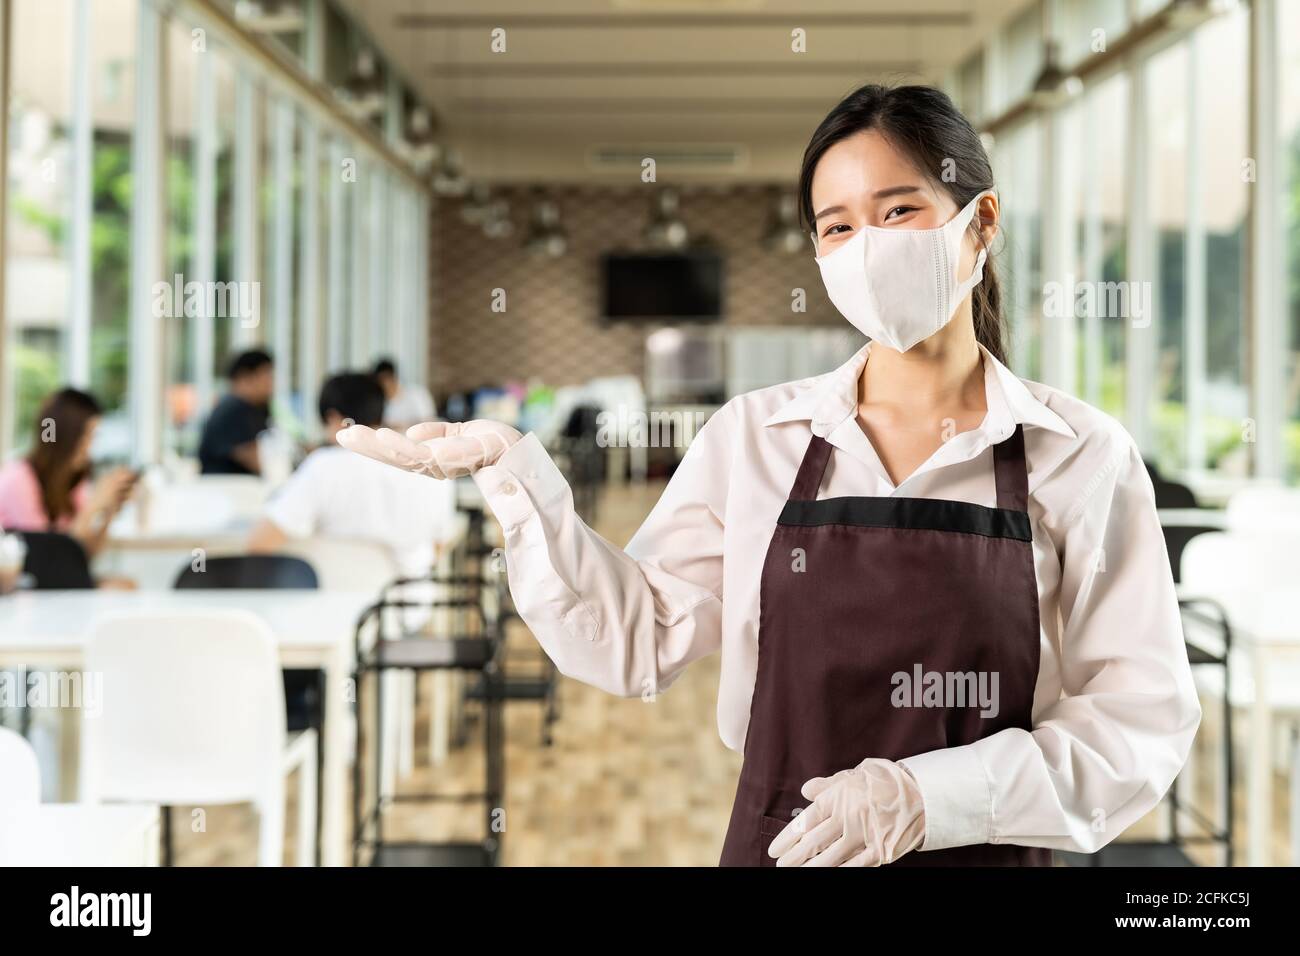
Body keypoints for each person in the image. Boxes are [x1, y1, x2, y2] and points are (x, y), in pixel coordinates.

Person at [339, 84, 1201, 867]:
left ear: (980, 222)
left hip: (988, 852)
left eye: (898, 210)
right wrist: (517, 478)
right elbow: (635, 638)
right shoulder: (756, 438)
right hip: (783, 852)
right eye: (837, 225)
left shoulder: (1081, 454)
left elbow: (1140, 722)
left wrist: (928, 798)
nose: (867, 246)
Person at [247, 372, 458, 578]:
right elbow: (438, 546)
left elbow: (259, 544)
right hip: (410, 605)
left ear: (334, 418)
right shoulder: (427, 463)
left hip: (334, 604)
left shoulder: (324, 466)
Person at [0, 387, 136, 566]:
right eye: (87, 437)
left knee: (124, 585)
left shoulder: (74, 484)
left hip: (54, 582)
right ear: (68, 435)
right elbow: (49, 559)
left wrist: (109, 511)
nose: (90, 447)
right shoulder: (18, 480)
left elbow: (83, 555)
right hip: (28, 583)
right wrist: (95, 504)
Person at [198, 350, 274, 475]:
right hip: (226, 487)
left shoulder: (257, 407)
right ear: (245, 377)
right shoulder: (234, 409)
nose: (270, 383)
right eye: (266, 375)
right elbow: (256, 460)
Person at [373, 357, 436, 430]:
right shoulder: (379, 400)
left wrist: (403, 425)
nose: (384, 384)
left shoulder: (417, 393)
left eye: (384, 379)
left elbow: (430, 421)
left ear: (392, 377)